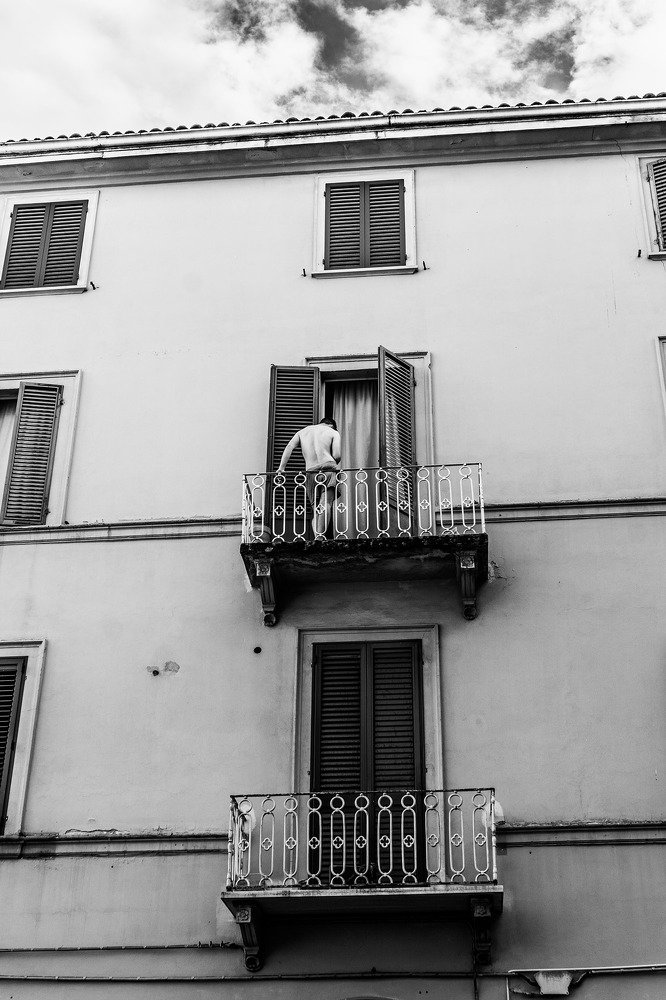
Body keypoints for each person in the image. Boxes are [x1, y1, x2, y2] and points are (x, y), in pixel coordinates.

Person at [277, 418, 341, 536]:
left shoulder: (302, 432)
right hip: (328, 469)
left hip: (311, 472)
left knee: (316, 508)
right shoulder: (333, 432)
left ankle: (317, 535)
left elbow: (289, 447)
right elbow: (337, 455)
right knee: (326, 503)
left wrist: (281, 469)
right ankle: (320, 538)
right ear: (331, 425)